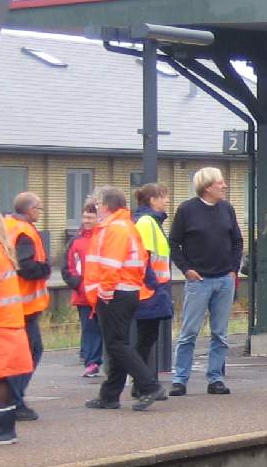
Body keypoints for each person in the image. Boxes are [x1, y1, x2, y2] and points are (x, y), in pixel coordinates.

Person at [85, 188, 165, 411]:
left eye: (99, 203)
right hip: (123, 291)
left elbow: (111, 263)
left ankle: (149, 385)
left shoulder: (115, 228)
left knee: (116, 344)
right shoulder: (120, 226)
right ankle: (110, 395)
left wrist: (106, 291)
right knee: (116, 343)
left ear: (107, 205)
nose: (96, 207)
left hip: (116, 292)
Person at [168, 167, 242, 396]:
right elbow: (173, 242)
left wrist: (233, 269)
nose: (225, 186)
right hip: (198, 281)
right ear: (208, 186)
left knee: (220, 333)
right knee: (189, 332)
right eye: (221, 182)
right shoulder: (187, 210)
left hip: (224, 280)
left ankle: (216, 378)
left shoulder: (227, 209)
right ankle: (180, 379)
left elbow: (237, 241)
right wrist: (186, 269)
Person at [0, 206, 35, 445]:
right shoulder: (2, 250)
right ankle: (5, 429)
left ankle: (1, 431)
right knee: (1, 376)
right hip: (9, 321)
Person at [3, 193, 49, 421]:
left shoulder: (7, 226)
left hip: (12, 302)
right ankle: (14, 401)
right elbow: (26, 267)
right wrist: (45, 269)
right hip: (24, 304)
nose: (40, 212)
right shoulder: (25, 232)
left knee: (23, 352)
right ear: (30, 210)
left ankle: (12, 399)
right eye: (38, 208)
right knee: (30, 352)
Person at [132, 183, 174, 372]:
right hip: (149, 290)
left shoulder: (151, 221)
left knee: (148, 338)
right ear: (152, 200)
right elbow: (145, 258)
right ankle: (140, 381)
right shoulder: (147, 222)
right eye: (163, 196)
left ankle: (141, 381)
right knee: (145, 339)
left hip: (153, 288)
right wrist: (154, 286)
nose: (167, 200)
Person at [63, 202, 103, 377]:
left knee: (105, 329)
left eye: (90, 217)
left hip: (104, 292)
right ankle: (92, 362)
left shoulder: (104, 238)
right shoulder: (76, 241)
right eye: (84, 217)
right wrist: (79, 285)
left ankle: (100, 360)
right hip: (84, 295)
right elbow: (68, 268)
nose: (86, 220)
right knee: (90, 328)